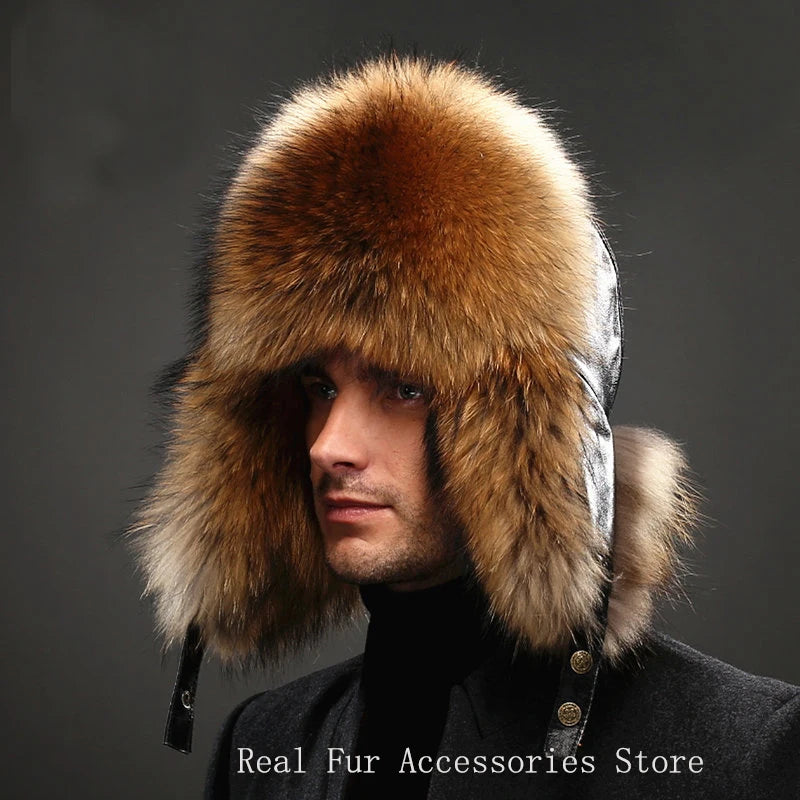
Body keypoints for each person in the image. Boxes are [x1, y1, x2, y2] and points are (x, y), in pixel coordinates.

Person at [131, 55, 800, 799]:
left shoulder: (741, 752)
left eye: (404, 387)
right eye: (318, 388)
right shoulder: (265, 745)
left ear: (523, 434)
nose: (327, 446)